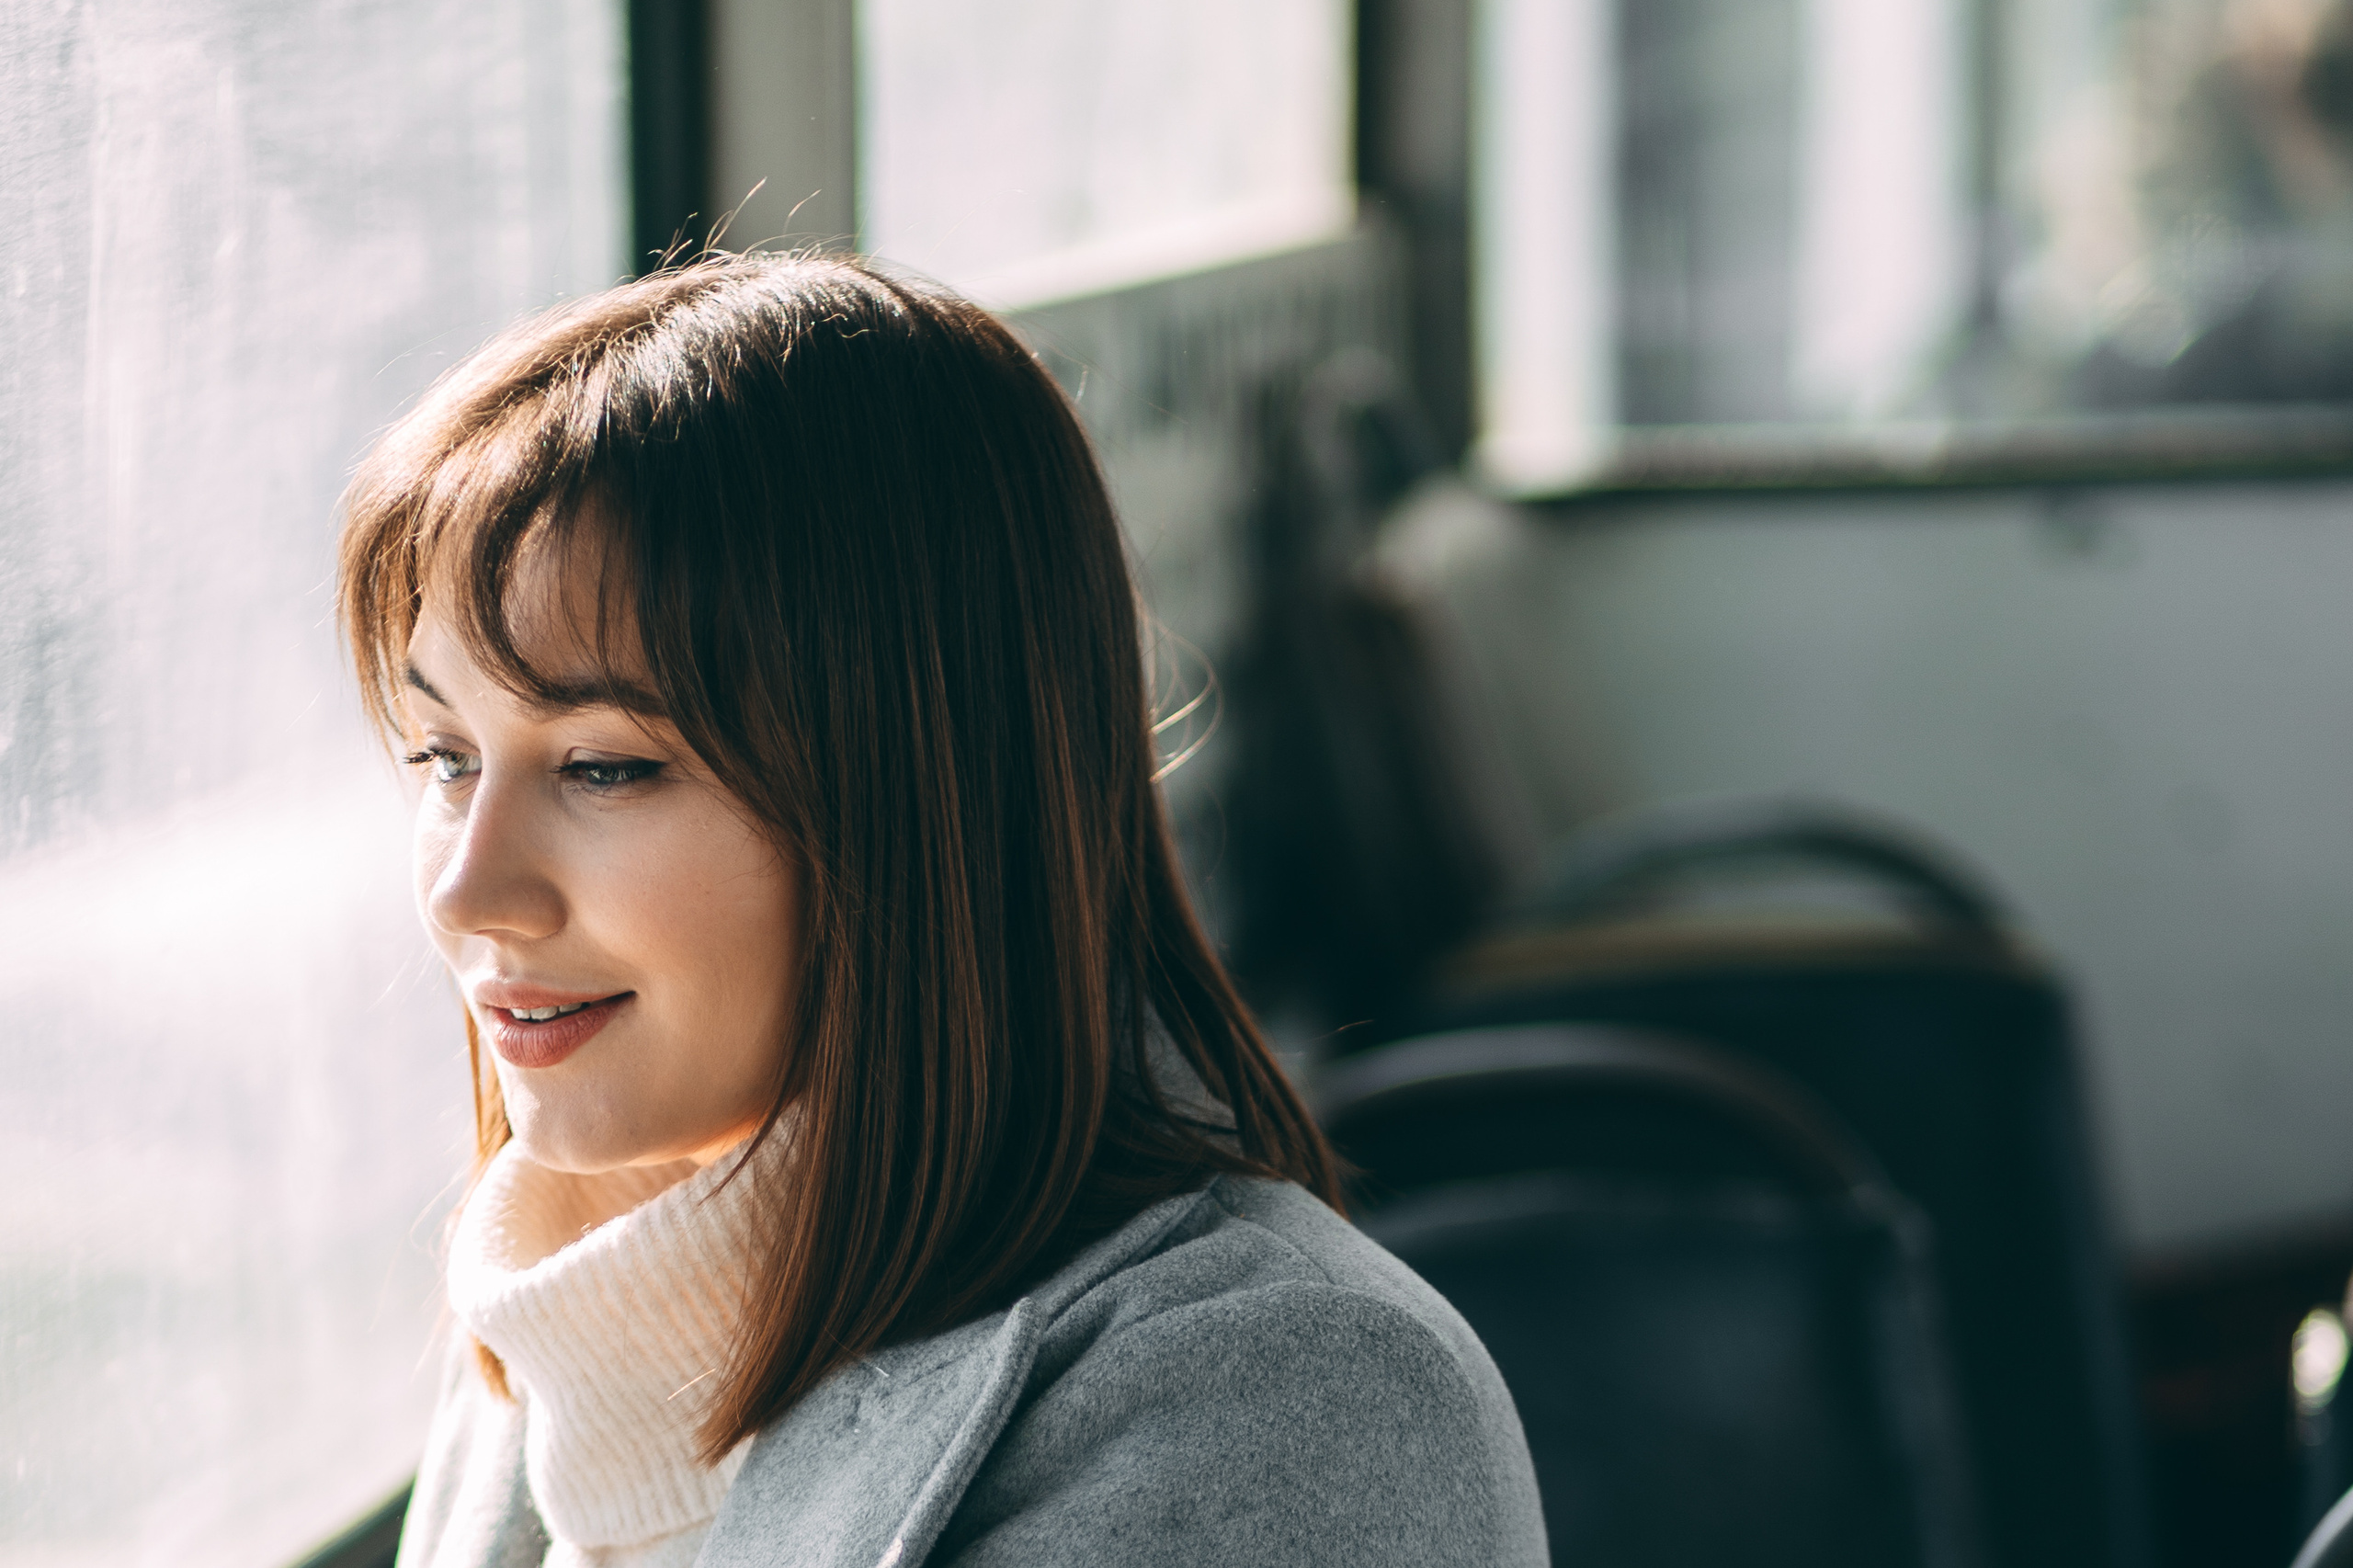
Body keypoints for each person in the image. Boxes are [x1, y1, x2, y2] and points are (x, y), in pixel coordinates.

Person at [337, 252, 1547, 1568]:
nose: (468, 889)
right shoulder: (561, 1326)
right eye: (446, 758)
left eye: (606, 766)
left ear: (921, 797)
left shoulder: (1286, 1405)